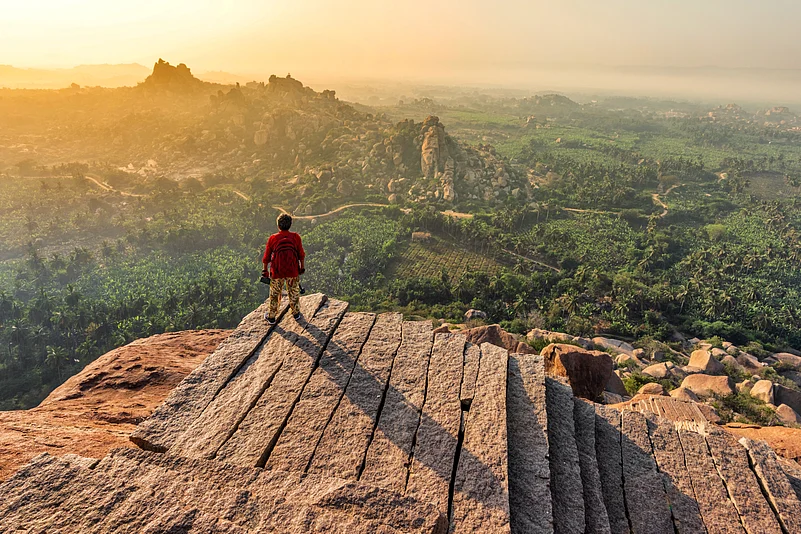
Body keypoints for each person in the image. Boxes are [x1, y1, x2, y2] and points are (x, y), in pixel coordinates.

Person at [262, 214, 305, 324]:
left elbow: (266, 257)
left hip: (277, 271)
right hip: (292, 270)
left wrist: (265, 271)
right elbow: (301, 254)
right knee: (294, 291)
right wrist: (301, 267)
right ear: (290, 225)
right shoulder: (295, 237)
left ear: (278, 225)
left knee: (275, 294)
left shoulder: (273, 238)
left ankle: (271, 316)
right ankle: (296, 313)